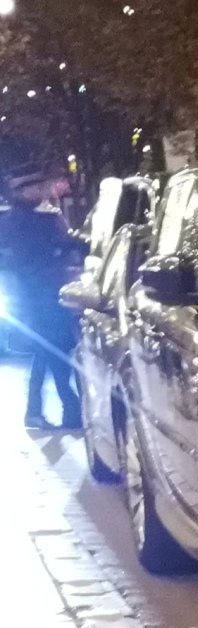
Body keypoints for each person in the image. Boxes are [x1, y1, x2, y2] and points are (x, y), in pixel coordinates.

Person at [0, 169, 82, 432]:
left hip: (35, 300)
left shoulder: (19, 220)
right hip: (41, 299)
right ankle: (69, 409)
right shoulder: (28, 222)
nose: (40, 193)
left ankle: (40, 411)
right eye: (35, 189)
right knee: (54, 352)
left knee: (46, 353)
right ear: (22, 192)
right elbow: (56, 249)